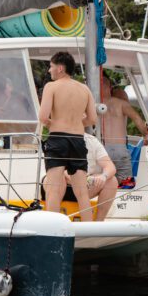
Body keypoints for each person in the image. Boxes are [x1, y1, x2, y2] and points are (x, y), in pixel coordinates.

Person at [38, 51, 97, 222]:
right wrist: (76, 124)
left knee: (54, 189)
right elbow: (92, 119)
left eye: (51, 66)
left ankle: (52, 232)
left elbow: (43, 117)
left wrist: (55, 124)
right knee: (82, 192)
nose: (49, 70)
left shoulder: (51, 87)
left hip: (58, 140)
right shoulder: (84, 89)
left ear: (61, 68)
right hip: (78, 140)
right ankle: (89, 230)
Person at [43, 133, 118, 222]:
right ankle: (54, 223)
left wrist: (103, 176)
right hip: (62, 183)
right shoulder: (58, 137)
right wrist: (79, 179)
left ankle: (98, 223)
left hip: (84, 184)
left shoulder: (91, 140)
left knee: (112, 181)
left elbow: (110, 166)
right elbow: (58, 169)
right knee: (59, 177)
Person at [100, 75, 148, 188]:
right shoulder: (121, 104)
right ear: (110, 87)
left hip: (102, 150)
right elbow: (137, 119)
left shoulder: (96, 106)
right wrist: (146, 135)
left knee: (103, 182)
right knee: (126, 183)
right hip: (120, 149)